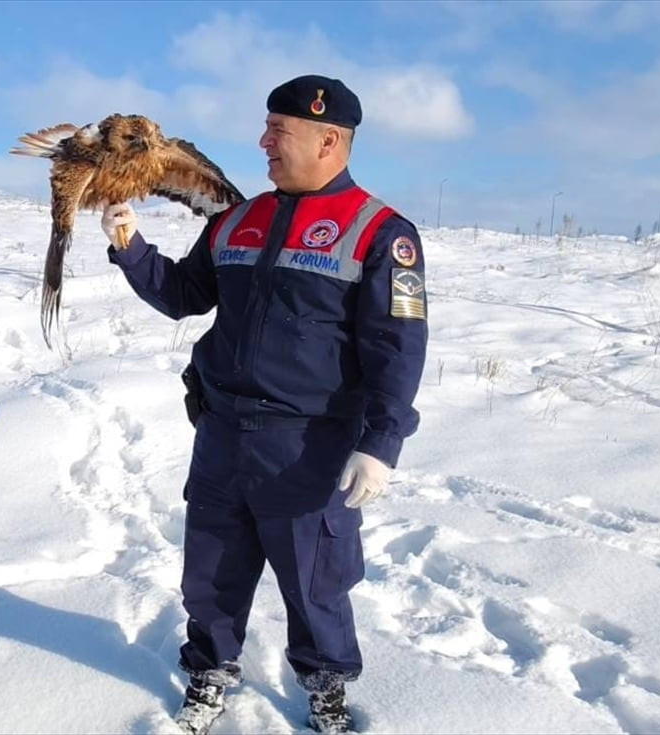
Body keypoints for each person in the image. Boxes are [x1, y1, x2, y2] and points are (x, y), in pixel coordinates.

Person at [101, 75, 428, 734]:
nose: (263, 142)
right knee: (212, 573)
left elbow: (398, 348)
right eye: (267, 127)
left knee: (316, 582)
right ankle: (211, 669)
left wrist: (381, 442)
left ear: (328, 139)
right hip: (223, 434)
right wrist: (131, 249)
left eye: (278, 131)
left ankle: (327, 683)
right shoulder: (236, 219)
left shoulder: (379, 233)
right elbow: (184, 294)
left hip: (311, 446)